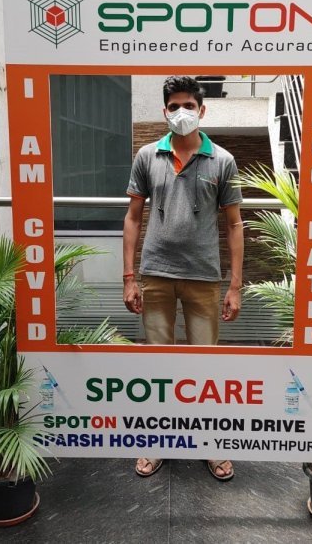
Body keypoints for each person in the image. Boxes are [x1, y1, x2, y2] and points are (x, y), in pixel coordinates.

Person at [123, 76, 244, 481]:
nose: (181, 113)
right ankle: (157, 441)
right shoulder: (147, 156)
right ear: (164, 111)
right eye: (173, 106)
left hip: (203, 278)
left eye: (188, 106)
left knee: (204, 366)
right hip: (156, 275)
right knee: (159, 365)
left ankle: (211, 443)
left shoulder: (223, 161)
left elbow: (234, 225)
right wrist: (129, 277)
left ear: (202, 110)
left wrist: (235, 285)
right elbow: (132, 217)